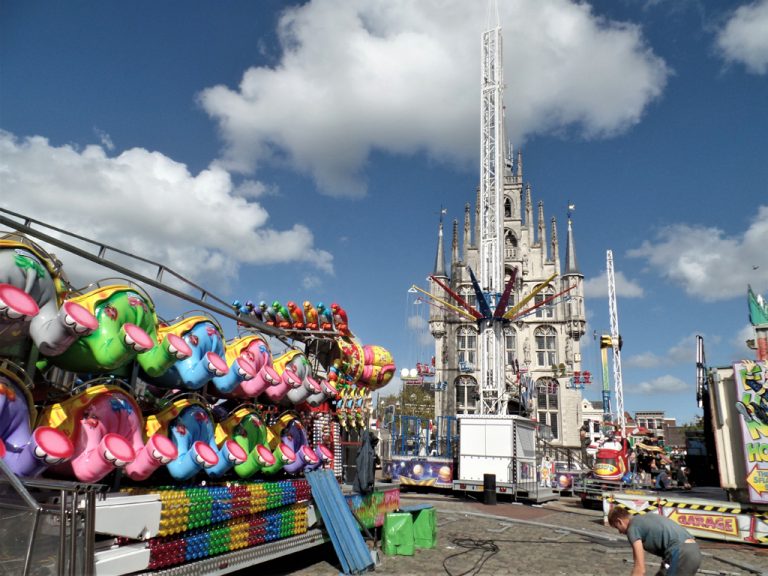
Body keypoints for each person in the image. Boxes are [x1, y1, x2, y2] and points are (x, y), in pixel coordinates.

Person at [608, 506, 701, 576]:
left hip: (680, 553)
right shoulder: (645, 518)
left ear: (619, 521)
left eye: (617, 527)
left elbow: (640, 568)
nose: (619, 532)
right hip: (693, 550)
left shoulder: (632, 528)